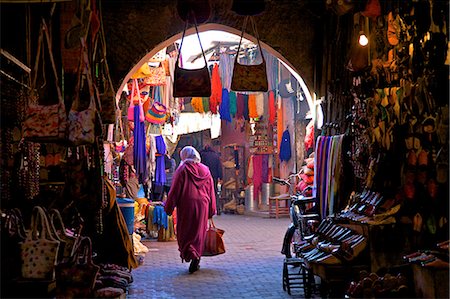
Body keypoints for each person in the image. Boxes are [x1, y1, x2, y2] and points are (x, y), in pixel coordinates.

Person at [164, 146, 216, 273]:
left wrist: (169, 207)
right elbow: (211, 191)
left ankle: (190, 253)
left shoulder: (182, 170)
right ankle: (196, 257)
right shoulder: (205, 170)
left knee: (186, 230)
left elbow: (175, 190)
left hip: (186, 204)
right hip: (203, 204)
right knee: (199, 231)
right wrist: (212, 209)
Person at [200, 144, 223, 214]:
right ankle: (218, 209)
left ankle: (206, 209)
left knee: (205, 193)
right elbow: (219, 167)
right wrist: (221, 177)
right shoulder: (216, 156)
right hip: (214, 177)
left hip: (205, 177)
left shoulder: (203, 155)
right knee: (215, 193)